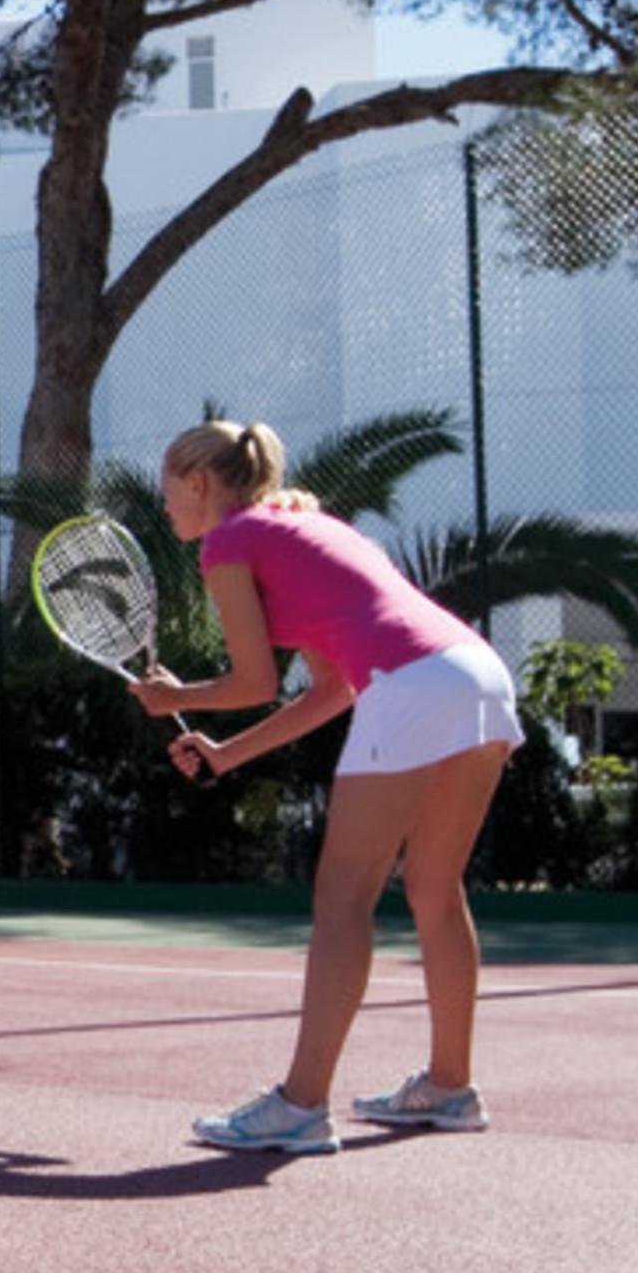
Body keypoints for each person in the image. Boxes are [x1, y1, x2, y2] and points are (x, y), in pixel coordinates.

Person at [132, 416, 525, 1152]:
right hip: (478, 674)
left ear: (198, 483)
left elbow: (253, 681)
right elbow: (331, 691)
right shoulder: (301, 532)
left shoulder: (230, 541)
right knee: (436, 890)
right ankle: (450, 1087)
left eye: (167, 491)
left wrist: (172, 694)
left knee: (343, 898)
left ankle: (301, 1105)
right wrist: (225, 755)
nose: (165, 508)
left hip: (411, 684)